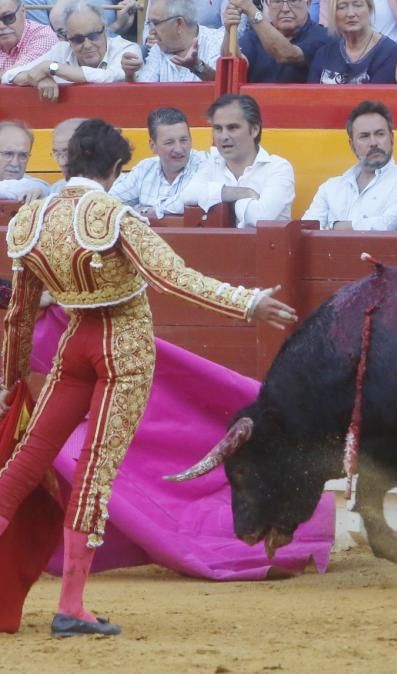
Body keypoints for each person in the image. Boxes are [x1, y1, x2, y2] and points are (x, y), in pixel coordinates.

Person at [0, 118, 298, 638]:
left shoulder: (29, 219)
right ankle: (71, 605)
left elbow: (19, 314)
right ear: (117, 169)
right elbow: (173, 278)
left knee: (24, 464)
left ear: (69, 161)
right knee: (94, 472)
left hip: (73, 345)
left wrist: (7, 380)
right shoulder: (114, 215)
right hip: (123, 351)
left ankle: (70, 604)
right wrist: (247, 302)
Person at [181, 94, 295, 228]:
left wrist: (219, 199)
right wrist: (243, 193)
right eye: (218, 128)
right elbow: (187, 195)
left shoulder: (278, 167)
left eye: (232, 128)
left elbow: (261, 217)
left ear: (254, 130)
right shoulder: (212, 162)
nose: (223, 136)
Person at [303, 100, 397, 230]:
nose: (373, 143)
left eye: (380, 134)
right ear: (352, 145)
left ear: (391, 138)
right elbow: (306, 229)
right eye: (364, 136)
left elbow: (389, 225)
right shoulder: (330, 188)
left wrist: (333, 228)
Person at [1, 0, 141, 100]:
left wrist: (52, 67)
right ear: (67, 38)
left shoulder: (127, 49)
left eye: (93, 36)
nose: (87, 45)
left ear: (105, 30)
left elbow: (109, 77)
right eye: (78, 39)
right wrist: (37, 79)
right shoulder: (62, 49)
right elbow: (9, 75)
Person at [110, 108, 207, 219]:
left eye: (184, 140)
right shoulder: (144, 169)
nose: (179, 149)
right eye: (169, 142)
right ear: (153, 146)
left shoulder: (204, 164)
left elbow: (189, 198)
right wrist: (144, 212)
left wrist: (150, 210)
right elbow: (108, 201)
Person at [224, 0, 329, 83]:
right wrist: (229, 30)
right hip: (257, 107)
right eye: (277, 1)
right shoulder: (253, 37)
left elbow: (287, 54)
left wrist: (252, 11)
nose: (285, 9)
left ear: (308, 3)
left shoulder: (322, 36)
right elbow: (232, 68)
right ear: (267, 4)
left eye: (293, 1)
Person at [123, 0, 224, 82]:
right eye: (150, 23)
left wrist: (197, 67)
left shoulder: (217, 41)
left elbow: (224, 87)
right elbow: (144, 94)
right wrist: (130, 75)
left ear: (179, 23)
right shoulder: (158, 48)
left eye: (156, 23)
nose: (151, 31)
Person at [307, 0, 397, 83]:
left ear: (369, 9)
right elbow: (311, 97)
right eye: (342, 7)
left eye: (358, 5)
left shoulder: (389, 52)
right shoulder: (324, 53)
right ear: (334, 13)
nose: (351, 14)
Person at [0, 0, 58, 77]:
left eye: (8, 17)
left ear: (23, 11)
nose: (1, 26)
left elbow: (14, 73)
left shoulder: (43, 36)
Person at [0, 121, 49, 203]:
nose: (15, 163)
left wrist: (41, 191)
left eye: (23, 155)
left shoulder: (34, 186)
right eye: (8, 154)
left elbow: (43, 187)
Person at [48, 117, 85, 193]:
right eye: (57, 154)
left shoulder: (112, 190)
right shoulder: (56, 190)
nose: (62, 163)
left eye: (68, 153)